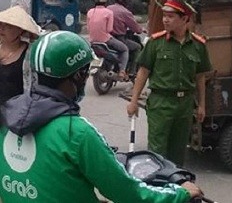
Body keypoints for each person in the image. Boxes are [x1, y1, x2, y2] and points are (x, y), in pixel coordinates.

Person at [0, 31, 203, 202]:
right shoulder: (77, 132)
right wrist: (181, 194)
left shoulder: (6, 118)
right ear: (79, 76)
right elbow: (129, 194)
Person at [126, 0, 212, 166]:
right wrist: (133, 101)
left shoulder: (198, 45)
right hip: (161, 103)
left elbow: (200, 76)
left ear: (184, 19)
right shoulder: (155, 43)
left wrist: (202, 104)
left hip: (185, 104)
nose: (165, 20)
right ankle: (157, 188)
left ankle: (175, 187)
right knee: (157, 152)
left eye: (171, 16)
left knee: (178, 152)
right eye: (164, 16)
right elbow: (143, 72)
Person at [0, 6, 40, 105]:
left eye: (8, 26)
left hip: (16, 113)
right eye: (0, 24)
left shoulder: (30, 54)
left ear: (20, 30)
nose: (2, 28)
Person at [87, 0, 129, 80]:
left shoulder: (90, 12)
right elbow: (109, 29)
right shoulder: (109, 12)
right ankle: (122, 71)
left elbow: (88, 27)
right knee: (125, 49)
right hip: (105, 40)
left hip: (92, 40)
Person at [107, 0, 145, 76]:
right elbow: (137, 29)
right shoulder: (126, 12)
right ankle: (132, 72)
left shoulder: (108, 8)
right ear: (126, 1)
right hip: (119, 38)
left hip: (107, 37)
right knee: (137, 47)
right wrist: (141, 29)